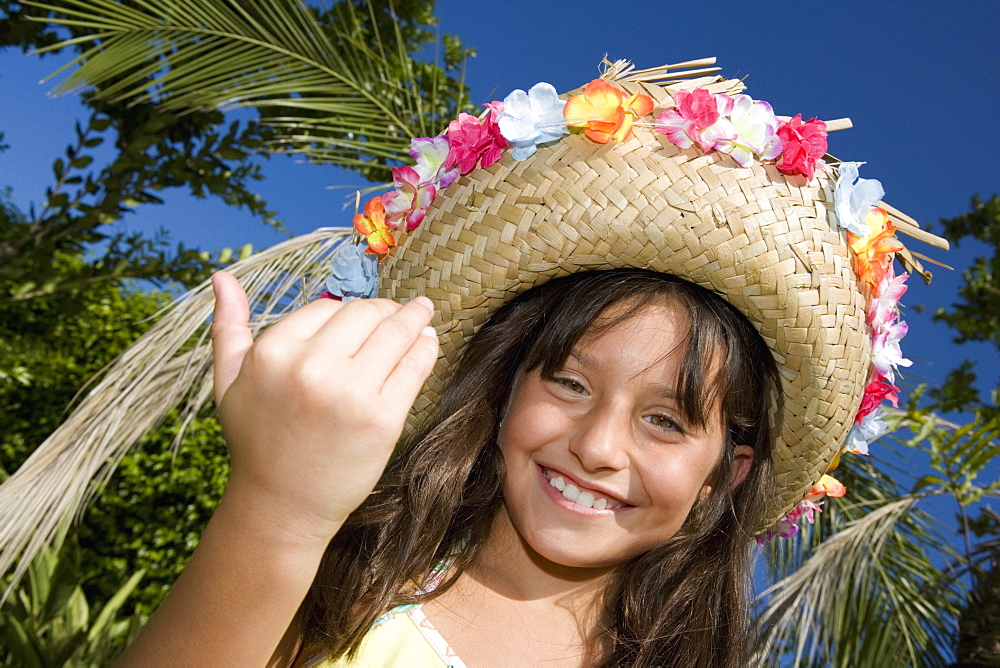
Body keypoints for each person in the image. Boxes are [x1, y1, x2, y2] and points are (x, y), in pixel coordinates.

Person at [114, 59, 933, 666]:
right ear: (503, 393)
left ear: (725, 473)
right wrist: (278, 507)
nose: (599, 447)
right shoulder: (342, 594)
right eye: (569, 383)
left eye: (665, 420)